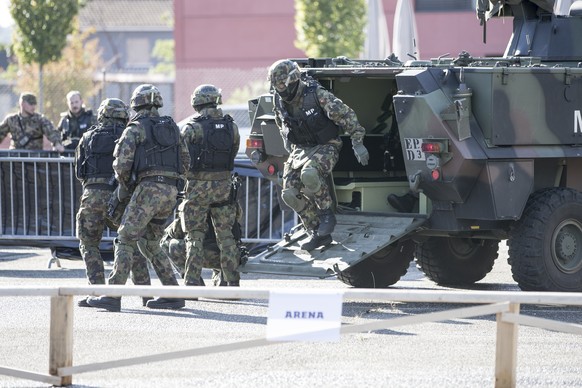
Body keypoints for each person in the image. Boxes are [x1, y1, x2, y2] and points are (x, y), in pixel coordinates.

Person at [87, 84, 190, 312]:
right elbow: (186, 160)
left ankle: (112, 295)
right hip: (171, 191)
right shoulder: (173, 127)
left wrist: (128, 186)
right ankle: (173, 294)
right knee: (151, 243)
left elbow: (121, 164)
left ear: (135, 104)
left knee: (125, 238)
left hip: (147, 190)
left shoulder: (135, 128)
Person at [268, 59, 369, 251]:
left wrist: (357, 142)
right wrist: (286, 140)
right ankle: (315, 232)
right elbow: (280, 120)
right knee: (288, 194)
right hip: (300, 149)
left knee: (310, 175)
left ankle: (326, 214)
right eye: (276, 85)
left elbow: (346, 115)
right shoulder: (278, 100)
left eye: (282, 84)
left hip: (326, 145)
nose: (280, 89)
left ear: (293, 79)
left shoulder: (317, 95)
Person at [74, 98, 153, 308]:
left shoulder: (88, 136)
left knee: (89, 244)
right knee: (130, 243)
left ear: (102, 114)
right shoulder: (130, 135)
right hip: (121, 197)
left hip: (92, 196)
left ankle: (98, 292)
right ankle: (147, 294)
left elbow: (79, 172)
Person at [180, 84, 241, 289]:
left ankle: (192, 282)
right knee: (226, 237)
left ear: (197, 102)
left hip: (197, 187)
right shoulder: (231, 126)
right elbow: (232, 154)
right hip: (224, 186)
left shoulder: (191, 127)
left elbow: (182, 158)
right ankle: (232, 282)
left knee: (194, 236)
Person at [161, 176, 248, 287]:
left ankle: (192, 279)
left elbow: (173, 232)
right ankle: (226, 278)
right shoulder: (229, 206)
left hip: (199, 256)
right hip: (228, 258)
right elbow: (237, 224)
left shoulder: (193, 207)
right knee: (226, 241)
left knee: (169, 243)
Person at [0, 92, 65, 152]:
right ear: (22, 104)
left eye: (34, 104)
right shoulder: (11, 120)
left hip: (34, 159)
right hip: (16, 158)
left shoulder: (40, 119)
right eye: (31, 104)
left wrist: (57, 143)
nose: (33, 107)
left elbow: (51, 132)